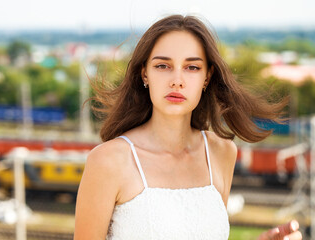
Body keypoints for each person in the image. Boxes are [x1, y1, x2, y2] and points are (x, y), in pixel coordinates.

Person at [73, 15, 302, 240]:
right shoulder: (108, 161)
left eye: (192, 67)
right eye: (163, 65)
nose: (177, 80)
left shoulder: (221, 153)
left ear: (207, 77)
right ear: (145, 73)